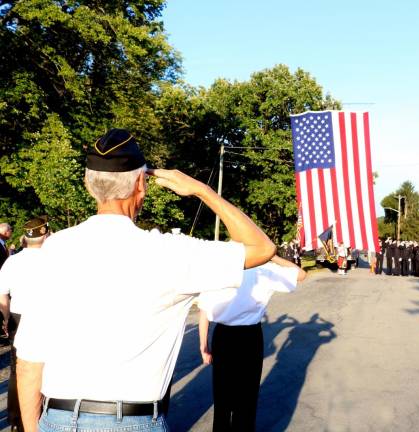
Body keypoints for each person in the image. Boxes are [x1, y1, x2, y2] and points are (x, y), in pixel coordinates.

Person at [14, 129, 276, 432]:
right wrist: (202, 190)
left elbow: (29, 360)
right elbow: (263, 248)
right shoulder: (169, 253)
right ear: (141, 184)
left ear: (89, 185)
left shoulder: (53, 250)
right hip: (131, 422)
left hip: (56, 418)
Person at [198, 255, 306, 431]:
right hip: (250, 336)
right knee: (247, 398)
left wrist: (204, 347)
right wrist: (272, 256)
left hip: (224, 336)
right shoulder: (264, 269)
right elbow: (301, 274)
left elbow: (204, 311)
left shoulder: (218, 267)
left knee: (223, 396)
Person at [0, 217, 50, 432]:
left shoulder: (13, 261)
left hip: (18, 317)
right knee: (48, 367)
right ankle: (44, 414)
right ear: (46, 234)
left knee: (17, 369)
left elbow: (2, 295)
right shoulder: (56, 260)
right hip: (48, 315)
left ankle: (17, 418)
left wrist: (4, 319)